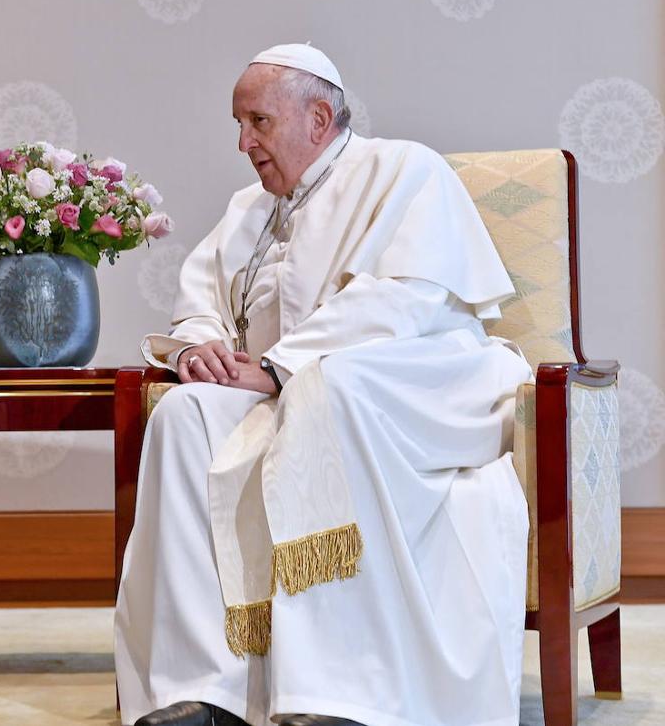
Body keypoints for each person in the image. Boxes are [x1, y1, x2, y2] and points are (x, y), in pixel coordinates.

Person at [115, 43, 532, 726]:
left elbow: (409, 300)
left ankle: (334, 695)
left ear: (317, 118)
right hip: (289, 389)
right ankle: (204, 690)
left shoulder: (403, 169)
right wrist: (200, 348)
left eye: (258, 122)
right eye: (239, 124)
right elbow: (202, 302)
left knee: (332, 388)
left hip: (416, 389)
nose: (244, 143)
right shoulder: (247, 208)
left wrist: (283, 365)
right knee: (184, 414)